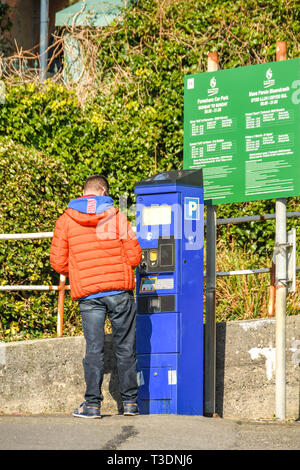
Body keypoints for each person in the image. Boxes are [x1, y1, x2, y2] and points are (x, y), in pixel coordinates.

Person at [50, 174, 142, 419]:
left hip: (89, 296)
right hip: (120, 292)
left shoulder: (65, 221)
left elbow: (58, 263)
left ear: (84, 192)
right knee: (125, 348)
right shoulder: (117, 216)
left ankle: (92, 406)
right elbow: (134, 257)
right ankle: (131, 404)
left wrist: (83, 272)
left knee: (94, 350)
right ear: (102, 191)